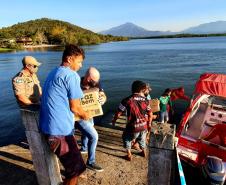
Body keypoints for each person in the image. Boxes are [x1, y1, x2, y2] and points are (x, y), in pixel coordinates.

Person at [39, 44, 91, 185]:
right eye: (79, 61)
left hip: (48, 129)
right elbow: (75, 107)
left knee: (73, 168)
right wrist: (86, 114)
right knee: (76, 169)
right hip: (60, 132)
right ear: (69, 59)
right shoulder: (71, 75)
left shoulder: (54, 72)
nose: (80, 66)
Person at [112, 80, 152, 161]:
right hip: (143, 125)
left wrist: (114, 120)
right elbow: (150, 113)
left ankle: (129, 155)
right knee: (142, 139)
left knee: (126, 139)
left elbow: (118, 113)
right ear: (142, 90)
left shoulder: (126, 100)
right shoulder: (146, 101)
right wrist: (149, 124)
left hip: (132, 127)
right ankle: (143, 152)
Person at [76, 67, 107, 172]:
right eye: (95, 81)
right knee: (94, 136)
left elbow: (103, 94)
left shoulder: (97, 83)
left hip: (90, 114)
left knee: (87, 132)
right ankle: (90, 162)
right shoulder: (76, 83)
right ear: (88, 78)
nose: (97, 83)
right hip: (79, 116)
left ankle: (84, 148)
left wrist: (102, 99)